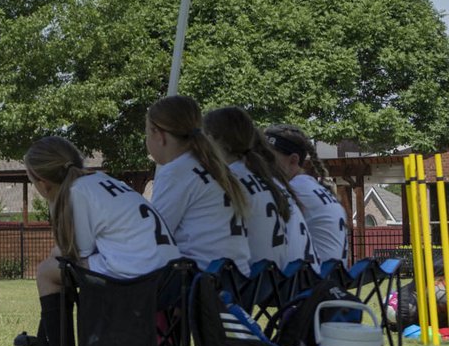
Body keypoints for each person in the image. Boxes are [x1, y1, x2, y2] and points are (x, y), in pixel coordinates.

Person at [26, 136, 180, 346]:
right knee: (55, 270)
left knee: (47, 273)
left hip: (141, 280)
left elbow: (76, 254)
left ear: (41, 183)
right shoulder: (102, 181)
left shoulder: (76, 194)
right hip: (171, 276)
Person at [145, 95, 251, 274]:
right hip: (235, 280)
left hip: (200, 284)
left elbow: (153, 237)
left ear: (158, 135)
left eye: (147, 133)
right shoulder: (214, 167)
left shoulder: (176, 172)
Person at [202, 106, 311, 269]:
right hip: (281, 280)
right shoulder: (264, 179)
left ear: (210, 138)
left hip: (259, 285)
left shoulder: (229, 180)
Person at [264, 124, 348, 268]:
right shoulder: (310, 186)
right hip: (330, 280)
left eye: (269, 158)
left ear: (293, 160)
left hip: (311, 282)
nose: (261, 162)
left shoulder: (294, 189)